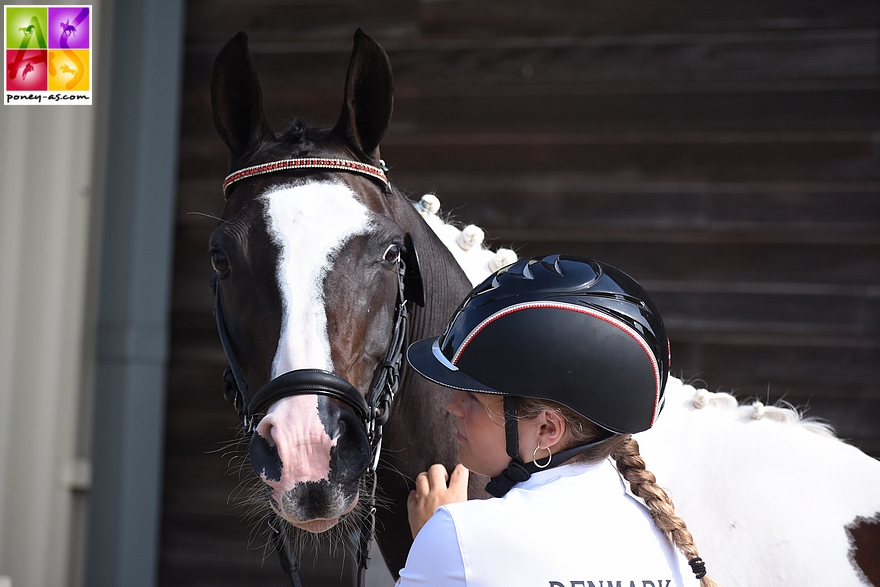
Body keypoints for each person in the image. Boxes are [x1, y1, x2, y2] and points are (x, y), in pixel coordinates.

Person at [398, 254, 720, 587]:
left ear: (547, 429)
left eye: (474, 397)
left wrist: (435, 546)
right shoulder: (668, 551)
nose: (452, 405)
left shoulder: (457, 536)